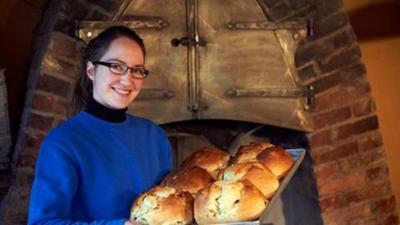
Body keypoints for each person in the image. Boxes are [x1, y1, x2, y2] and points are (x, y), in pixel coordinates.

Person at [28, 26, 173, 225]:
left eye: (137, 70)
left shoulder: (155, 136)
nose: (127, 79)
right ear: (91, 70)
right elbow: (42, 222)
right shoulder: (63, 142)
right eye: (116, 66)